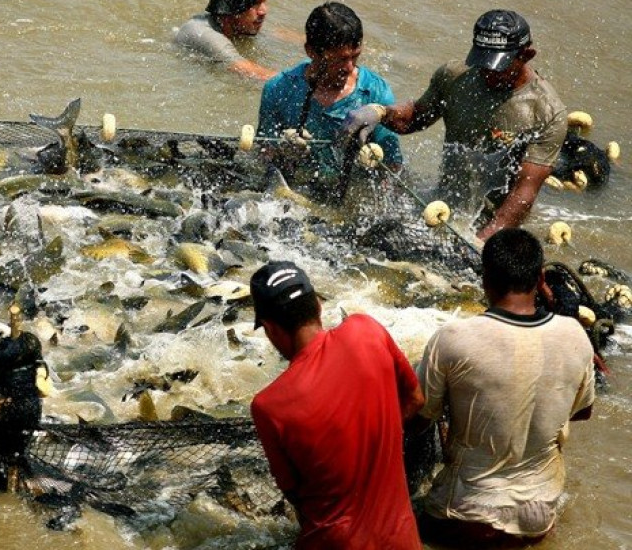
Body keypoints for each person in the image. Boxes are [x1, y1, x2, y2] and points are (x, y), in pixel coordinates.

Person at [414, 228, 595, 543]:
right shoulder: (576, 336)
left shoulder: (454, 338)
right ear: (540, 279)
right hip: (537, 520)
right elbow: (582, 411)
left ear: (485, 281)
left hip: (462, 516)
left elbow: (419, 417)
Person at [342, 10, 567, 241]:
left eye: (498, 66)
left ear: (526, 55)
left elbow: (523, 195)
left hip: (493, 225)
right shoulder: (454, 77)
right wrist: (381, 112)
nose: (488, 72)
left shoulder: (546, 113)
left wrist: (479, 243)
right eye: (483, 62)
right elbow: (414, 118)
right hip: (443, 206)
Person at [249, 260, 424, 549]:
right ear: (318, 305)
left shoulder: (268, 406)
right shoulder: (367, 330)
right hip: (402, 541)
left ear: (270, 329)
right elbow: (415, 400)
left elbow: (296, 495)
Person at [256, 2, 403, 198]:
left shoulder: (376, 94)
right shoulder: (279, 89)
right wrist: (281, 150)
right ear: (311, 51)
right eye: (340, 59)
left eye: (355, 57)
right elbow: (262, 155)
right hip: (295, 195)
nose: (349, 67)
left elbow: (393, 168)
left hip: (349, 195)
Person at [175, 0, 276, 80]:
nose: (263, 11)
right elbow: (244, 69)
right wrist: (291, 78)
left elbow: (280, 34)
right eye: (254, 4)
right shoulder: (206, 34)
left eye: (264, 2)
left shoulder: (240, 26)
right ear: (231, 9)